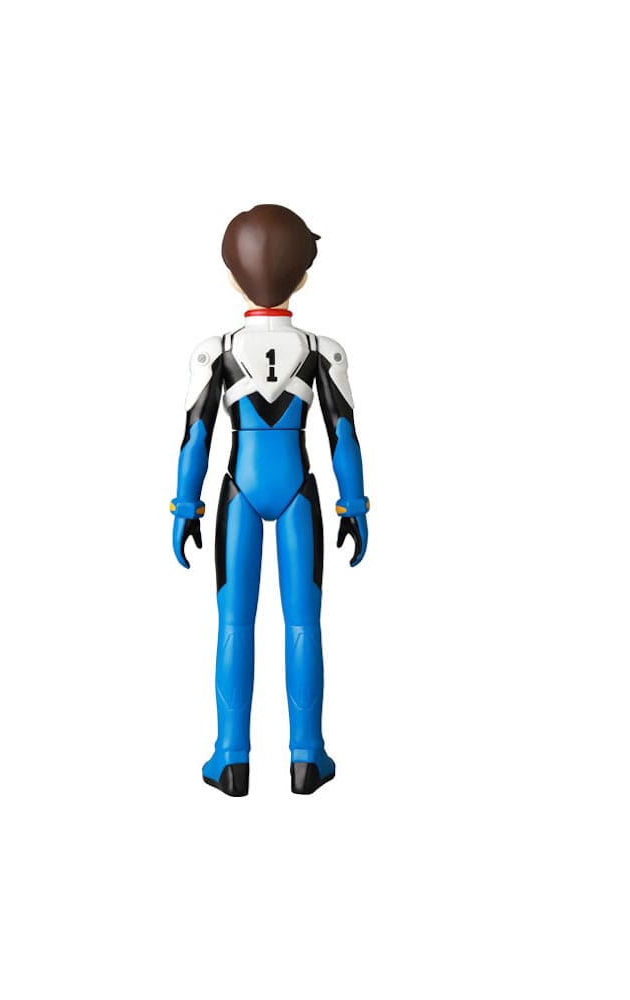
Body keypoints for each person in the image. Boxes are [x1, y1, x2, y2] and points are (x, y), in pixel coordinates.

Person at [170, 204, 369, 796]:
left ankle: (231, 759)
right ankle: (308, 758)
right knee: (304, 623)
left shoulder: (215, 350)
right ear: (303, 276)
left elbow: (196, 439)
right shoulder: (323, 350)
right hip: (299, 493)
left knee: (234, 622)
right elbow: (343, 436)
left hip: (239, 493)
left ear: (232, 276)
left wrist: (186, 508)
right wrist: (354, 506)